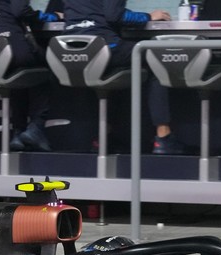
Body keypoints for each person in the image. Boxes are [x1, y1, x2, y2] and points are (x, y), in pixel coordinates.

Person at [62, 0, 183, 154]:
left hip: (71, 50)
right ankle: (163, 136)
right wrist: (148, 16)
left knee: (113, 72)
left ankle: (103, 138)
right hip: (104, 45)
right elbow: (114, 16)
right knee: (155, 57)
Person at [0, 0, 63, 152]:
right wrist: (51, 16)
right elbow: (20, 10)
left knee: (16, 75)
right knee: (43, 67)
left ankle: (18, 131)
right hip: (6, 43)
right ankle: (36, 128)